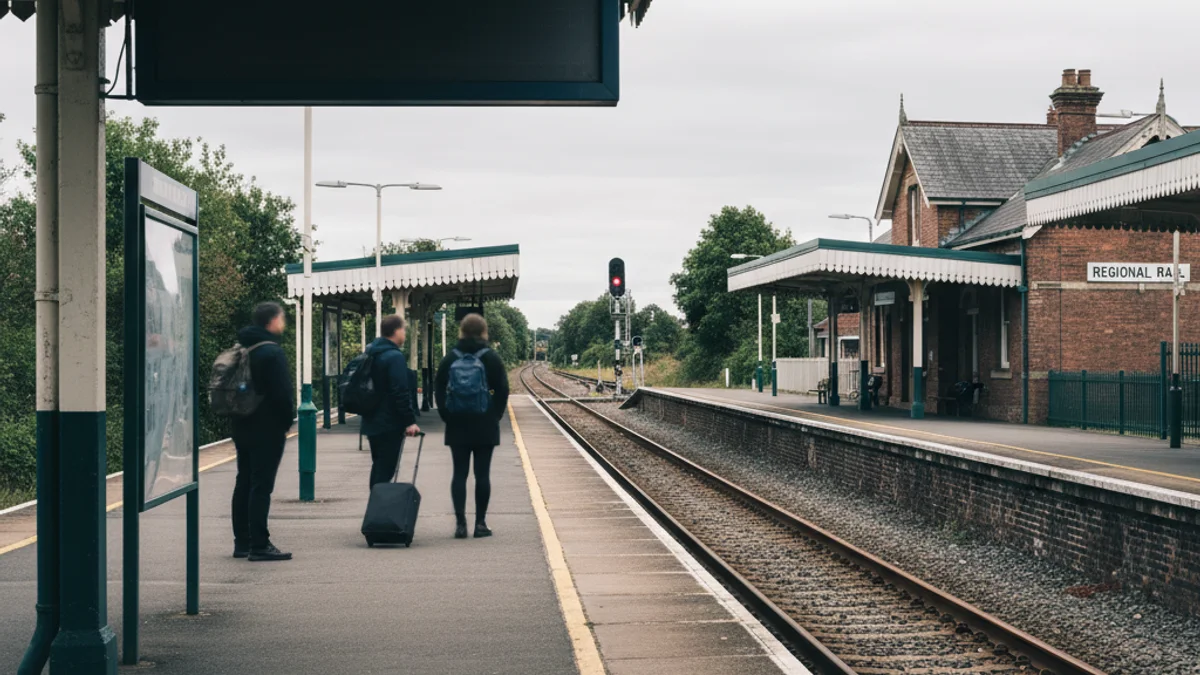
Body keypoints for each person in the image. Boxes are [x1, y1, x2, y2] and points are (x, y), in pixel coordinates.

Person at [435, 313, 510, 539]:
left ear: (462, 331)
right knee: (482, 474)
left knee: (459, 473)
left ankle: (460, 524)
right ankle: (480, 524)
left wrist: (447, 415)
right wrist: (494, 415)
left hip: (457, 423)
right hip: (484, 423)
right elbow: (502, 390)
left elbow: (439, 388)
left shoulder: (450, 357)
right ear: (483, 332)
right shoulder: (491, 358)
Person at [231, 302, 295, 562]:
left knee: (244, 481)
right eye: (282, 318)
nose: (283, 323)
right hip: (267, 428)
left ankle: (242, 542)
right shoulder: (271, 352)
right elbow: (282, 394)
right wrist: (286, 422)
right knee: (261, 486)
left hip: (241, 424)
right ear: (273, 321)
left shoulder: (241, 348)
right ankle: (260, 544)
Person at [362, 315, 421, 490]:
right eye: (404, 330)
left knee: (379, 467)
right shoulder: (394, 357)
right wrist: (409, 421)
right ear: (397, 331)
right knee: (385, 470)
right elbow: (400, 391)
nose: (404, 334)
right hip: (389, 423)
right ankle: (377, 505)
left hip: (371, 420)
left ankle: (375, 502)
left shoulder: (370, 352)